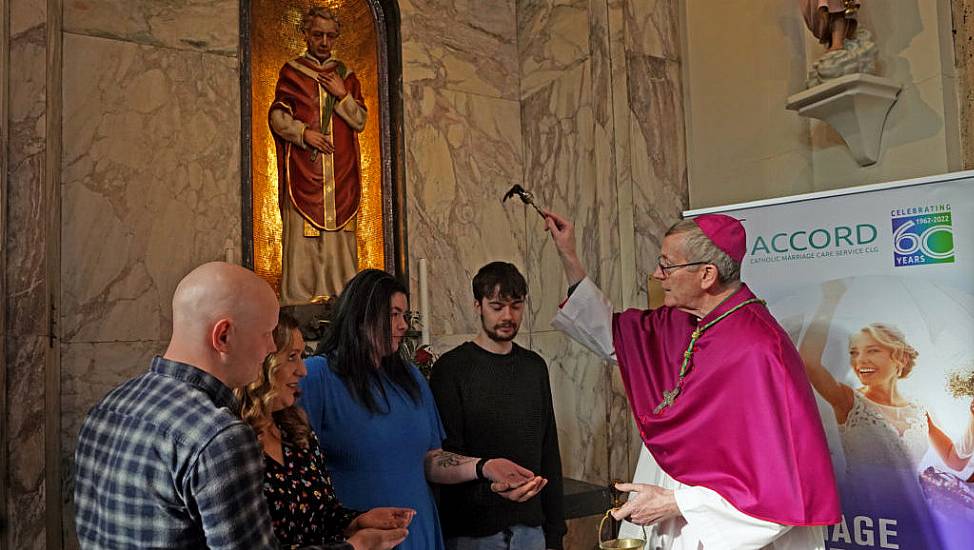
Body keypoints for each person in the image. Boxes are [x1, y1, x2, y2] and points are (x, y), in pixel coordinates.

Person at [543, 210, 841, 550]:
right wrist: (568, 253)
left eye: (667, 265)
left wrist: (678, 503)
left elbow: (781, 490)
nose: (657, 275)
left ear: (706, 274)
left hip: (728, 534)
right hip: (675, 522)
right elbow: (610, 333)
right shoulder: (680, 322)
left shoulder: (758, 349)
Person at [299, 269, 549, 550]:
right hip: (362, 536)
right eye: (393, 315)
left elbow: (432, 459)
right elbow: (297, 468)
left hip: (419, 531)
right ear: (361, 315)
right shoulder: (317, 376)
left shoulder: (408, 377)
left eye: (404, 315)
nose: (403, 325)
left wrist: (484, 467)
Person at [73, 262, 282, 548]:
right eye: (267, 333)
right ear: (223, 336)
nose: (271, 348)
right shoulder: (220, 437)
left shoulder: (107, 407)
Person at [799, 280, 974, 549]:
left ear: (900, 358)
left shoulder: (919, 410)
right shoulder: (849, 401)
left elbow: (956, 461)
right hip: (863, 524)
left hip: (912, 520)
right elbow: (809, 362)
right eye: (854, 353)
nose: (860, 361)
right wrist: (829, 299)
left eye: (872, 350)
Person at [236, 312, 415, 549]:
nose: (302, 370)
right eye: (291, 357)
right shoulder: (230, 441)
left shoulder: (296, 431)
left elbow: (324, 513)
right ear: (262, 362)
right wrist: (355, 546)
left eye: (302, 357)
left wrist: (358, 521)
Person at [430, 262, 567, 550]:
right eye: (497, 306)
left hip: (531, 528)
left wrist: (556, 531)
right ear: (477, 306)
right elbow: (446, 454)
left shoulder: (534, 367)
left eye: (516, 306)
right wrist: (494, 492)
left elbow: (548, 450)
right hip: (473, 532)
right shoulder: (452, 369)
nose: (508, 316)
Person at [270, 6, 368, 305]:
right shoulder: (292, 71)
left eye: (329, 36)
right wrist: (303, 134)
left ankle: (342, 294)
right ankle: (302, 297)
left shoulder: (346, 75)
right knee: (303, 234)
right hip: (306, 169)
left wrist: (342, 94)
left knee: (339, 235)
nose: (324, 42)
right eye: (317, 35)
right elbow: (277, 115)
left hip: (340, 171)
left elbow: (361, 120)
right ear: (306, 35)